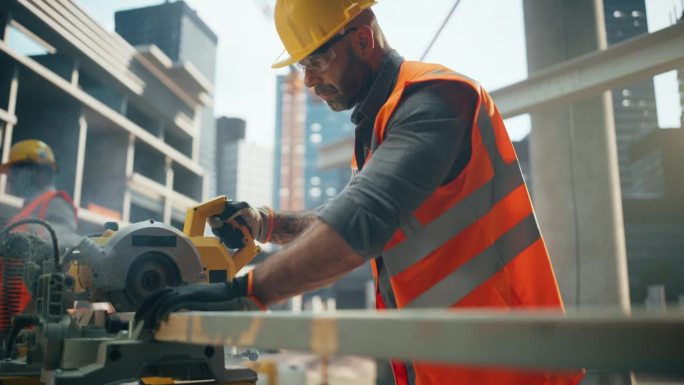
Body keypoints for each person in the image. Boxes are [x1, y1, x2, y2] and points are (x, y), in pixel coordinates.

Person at [137, 1, 584, 384]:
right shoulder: (382, 123)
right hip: (453, 363)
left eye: (315, 62)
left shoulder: (436, 101)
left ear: (363, 42)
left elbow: (365, 219)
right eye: (302, 67)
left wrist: (244, 292)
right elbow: (346, 214)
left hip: (510, 366)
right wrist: (265, 223)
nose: (309, 81)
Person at [0, 139, 78, 323]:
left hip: (30, 320)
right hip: (11, 316)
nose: (10, 178)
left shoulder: (55, 203)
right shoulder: (26, 210)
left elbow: (61, 250)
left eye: (16, 171)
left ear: (40, 173)